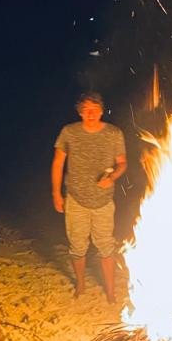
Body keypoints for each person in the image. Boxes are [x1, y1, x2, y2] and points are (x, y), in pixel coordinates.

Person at [51, 91, 127, 303]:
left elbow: (122, 163)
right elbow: (58, 163)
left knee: (106, 246)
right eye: (86, 110)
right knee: (77, 245)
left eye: (94, 110)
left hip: (103, 201)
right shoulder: (69, 132)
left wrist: (112, 177)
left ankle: (111, 292)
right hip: (76, 199)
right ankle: (81, 284)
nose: (91, 114)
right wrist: (56, 193)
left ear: (101, 111)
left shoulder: (113, 133)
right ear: (80, 112)